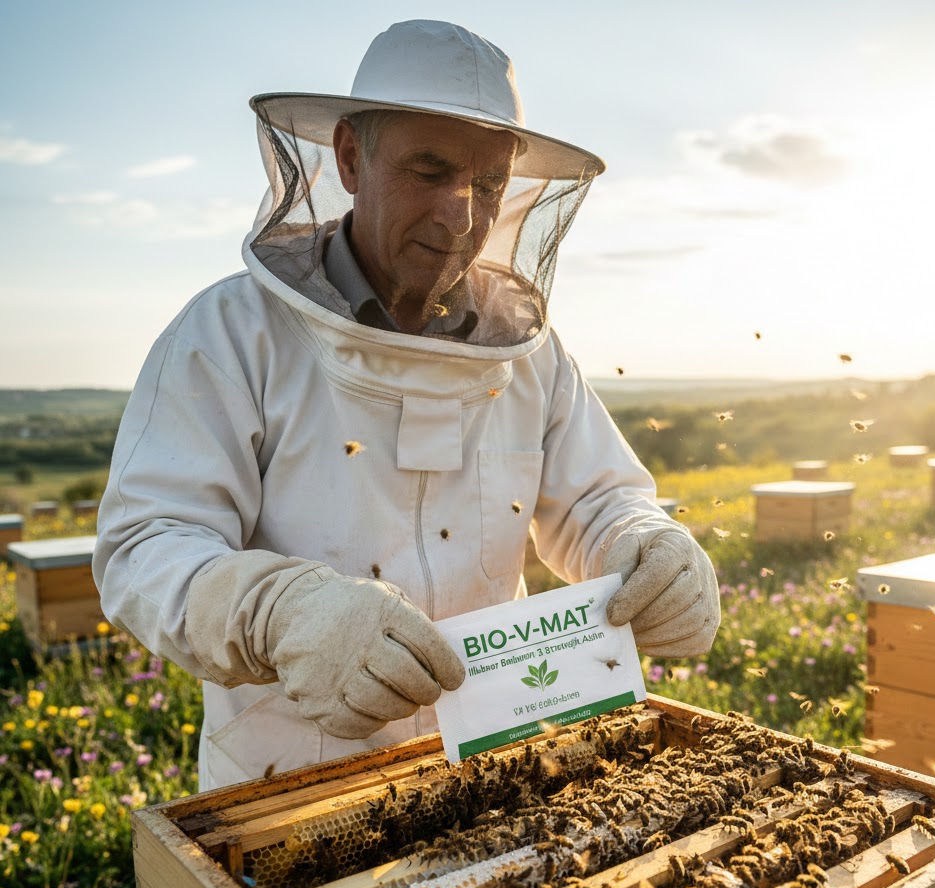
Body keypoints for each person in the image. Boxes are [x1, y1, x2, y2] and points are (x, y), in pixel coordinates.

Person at [93, 19, 721, 792]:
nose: (462, 217)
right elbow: (146, 547)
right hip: (292, 775)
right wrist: (279, 611)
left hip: (499, 757)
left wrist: (643, 544)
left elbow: (598, 502)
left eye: (488, 185)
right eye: (430, 171)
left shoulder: (528, 351)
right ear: (351, 158)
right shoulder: (229, 334)